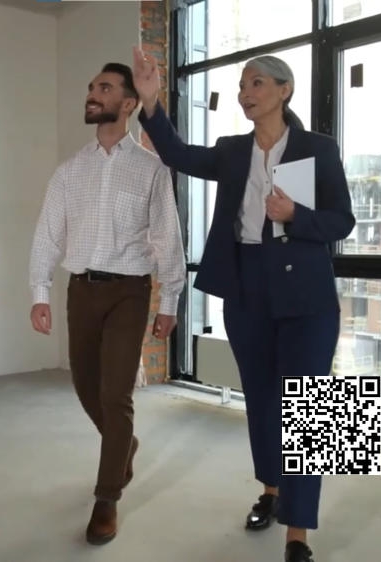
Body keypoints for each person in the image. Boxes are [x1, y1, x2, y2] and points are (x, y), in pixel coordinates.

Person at [129, 47, 356, 562]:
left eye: (256, 83)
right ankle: (271, 491)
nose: (244, 94)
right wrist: (150, 101)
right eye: (241, 85)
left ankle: (299, 532)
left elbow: (343, 221)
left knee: (314, 412)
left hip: (308, 292)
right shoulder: (232, 150)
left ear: (284, 90)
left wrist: (296, 215)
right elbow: (177, 155)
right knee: (262, 397)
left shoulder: (318, 148)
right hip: (246, 285)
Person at [28, 62, 186, 546]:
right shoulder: (69, 172)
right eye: (91, 87)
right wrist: (39, 291)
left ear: (129, 103)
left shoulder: (151, 169)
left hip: (128, 292)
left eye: (105, 88)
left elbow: (167, 237)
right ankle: (124, 444)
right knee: (86, 386)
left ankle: (107, 497)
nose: (92, 94)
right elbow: (47, 235)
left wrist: (170, 299)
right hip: (82, 290)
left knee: (116, 395)